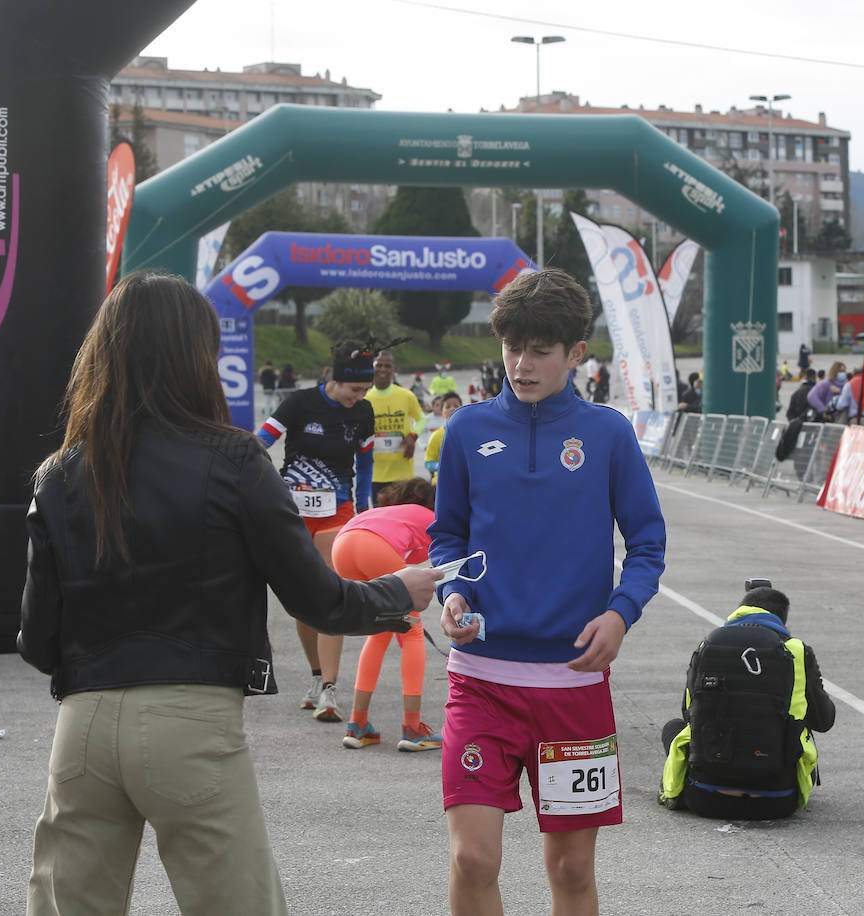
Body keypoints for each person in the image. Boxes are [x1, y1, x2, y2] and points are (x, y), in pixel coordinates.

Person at [17, 272, 439, 916]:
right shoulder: (235, 461)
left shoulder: (61, 472)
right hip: (191, 718)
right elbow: (320, 600)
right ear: (199, 358)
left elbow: (38, 639)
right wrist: (397, 592)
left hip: (82, 724)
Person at [431, 267, 667, 915]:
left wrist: (620, 615)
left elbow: (647, 545)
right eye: (512, 348)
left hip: (573, 690)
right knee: (471, 857)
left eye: (540, 350)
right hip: (480, 679)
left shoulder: (609, 435)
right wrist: (452, 592)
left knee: (569, 870)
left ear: (576, 354)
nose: (522, 363)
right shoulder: (466, 432)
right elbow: (445, 536)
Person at [257, 340, 378, 722]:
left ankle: (330, 689)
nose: (358, 397)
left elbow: (366, 464)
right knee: (301, 601)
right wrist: (265, 488)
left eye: (364, 391)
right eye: (354, 389)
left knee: (329, 593)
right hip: (292, 513)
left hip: (336, 512)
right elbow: (259, 443)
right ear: (336, 379)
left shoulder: (362, 412)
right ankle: (315, 678)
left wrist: (362, 511)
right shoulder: (299, 403)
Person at [659, 584, 835, 820]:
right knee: (799, 732)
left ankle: (671, 789)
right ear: (783, 623)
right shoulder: (795, 651)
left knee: (673, 728)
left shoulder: (708, 644)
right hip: (777, 802)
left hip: (706, 799)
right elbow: (823, 720)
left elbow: (688, 713)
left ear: (738, 612)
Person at [334, 477, 444, 753]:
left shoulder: (384, 512)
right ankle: (413, 728)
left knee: (380, 630)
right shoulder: (430, 515)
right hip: (374, 548)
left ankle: (357, 726)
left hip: (342, 547)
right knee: (413, 630)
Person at [365, 349, 425, 507]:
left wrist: (413, 436)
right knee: (379, 520)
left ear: (393, 370)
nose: (383, 369)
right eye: (379, 365)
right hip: (375, 474)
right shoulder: (365, 399)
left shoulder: (406, 396)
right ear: (372, 368)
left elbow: (421, 419)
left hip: (402, 473)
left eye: (387, 366)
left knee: (402, 519)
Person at [424, 392, 462, 483]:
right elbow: (428, 463)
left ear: (462, 408)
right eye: (447, 406)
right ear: (442, 412)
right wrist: (442, 466)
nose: (452, 408)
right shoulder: (436, 436)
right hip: (441, 482)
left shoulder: (469, 434)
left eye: (456, 405)